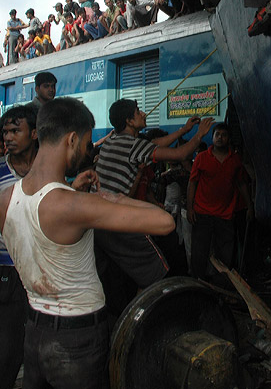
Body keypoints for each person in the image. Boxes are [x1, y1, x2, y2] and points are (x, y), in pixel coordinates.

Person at [0, 97, 175, 389]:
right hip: (77, 341)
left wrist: (72, 190)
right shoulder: (75, 206)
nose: (86, 151)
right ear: (71, 139)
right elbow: (164, 222)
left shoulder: (6, 198)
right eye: (85, 143)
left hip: (34, 333)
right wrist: (111, 198)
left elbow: (40, 215)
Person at [94, 99, 214, 294]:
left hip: (96, 219)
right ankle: (144, 309)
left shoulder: (112, 141)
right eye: (138, 111)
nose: (143, 113)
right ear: (129, 121)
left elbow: (154, 144)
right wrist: (199, 134)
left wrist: (184, 130)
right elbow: (180, 154)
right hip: (115, 221)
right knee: (155, 270)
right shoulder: (134, 146)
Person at [0, 105, 38, 389]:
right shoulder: (1, 171)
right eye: (5, 132)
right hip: (7, 271)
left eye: (16, 131)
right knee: (7, 350)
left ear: (34, 133)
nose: (8, 137)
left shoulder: (47, 171)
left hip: (40, 268)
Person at [187, 123, 253, 280]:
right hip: (202, 213)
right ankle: (197, 284)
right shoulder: (202, 158)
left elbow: (242, 184)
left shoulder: (235, 160)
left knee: (225, 256)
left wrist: (250, 206)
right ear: (212, 137)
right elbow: (192, 183)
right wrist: (190, 208)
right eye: (217, 134)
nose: (220, 138)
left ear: (228, 138)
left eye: (224, 135)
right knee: (199, 253)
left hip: (225, 215)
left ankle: (221, 286)